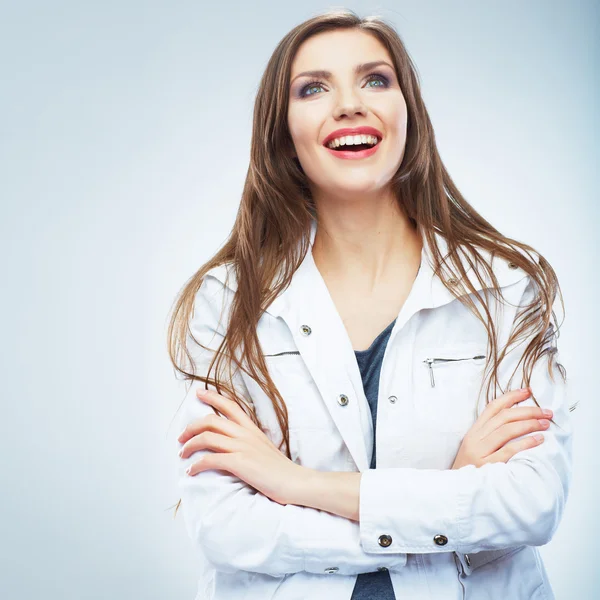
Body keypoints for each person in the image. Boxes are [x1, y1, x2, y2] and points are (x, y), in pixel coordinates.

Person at [169, 8, 573, 600]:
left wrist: (293, 483)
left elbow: (531, 505)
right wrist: (450, 493)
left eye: (375, 80)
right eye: (313, 88)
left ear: (407, 111)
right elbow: (225, 528)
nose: (349, 104)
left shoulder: (508, 289)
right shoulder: (226, 302)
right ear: (282, 131)